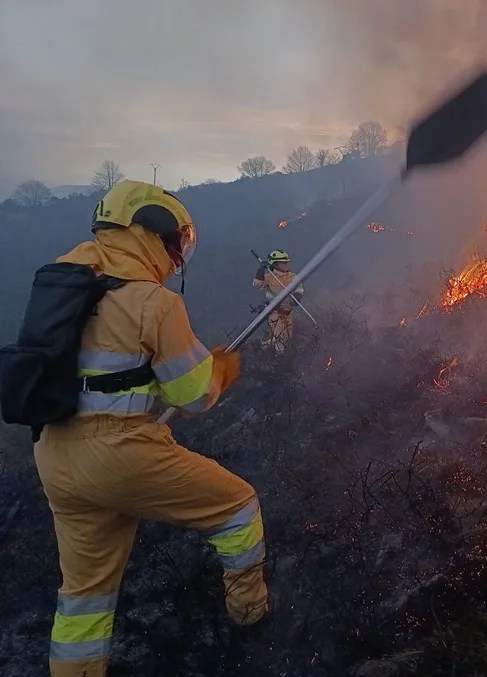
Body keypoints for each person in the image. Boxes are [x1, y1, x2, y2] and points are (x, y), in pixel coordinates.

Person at [33, 180, 268, 677]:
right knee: (238, 507)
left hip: (55, 455)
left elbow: (107, 374)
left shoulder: (67, 283)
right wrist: (221, 368)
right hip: (118, 454)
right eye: (176, 239)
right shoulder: (153, 302)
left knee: (85, 599)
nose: (179, 253)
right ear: (153, 232)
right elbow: (194, 395)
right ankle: (252, 619)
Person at [252, 249, 302, 354]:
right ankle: (279, 360)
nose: (286, 264)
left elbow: (299, 287)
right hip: (274, 312)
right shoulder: (269, 277)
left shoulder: (292, 276)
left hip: (288, 311)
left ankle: (262, 346)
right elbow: (257, 284)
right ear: (275, 264)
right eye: (283, 262)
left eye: (287, 262)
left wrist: (298, 296)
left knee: (287, 337)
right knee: (281, 339)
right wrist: (260, 270)